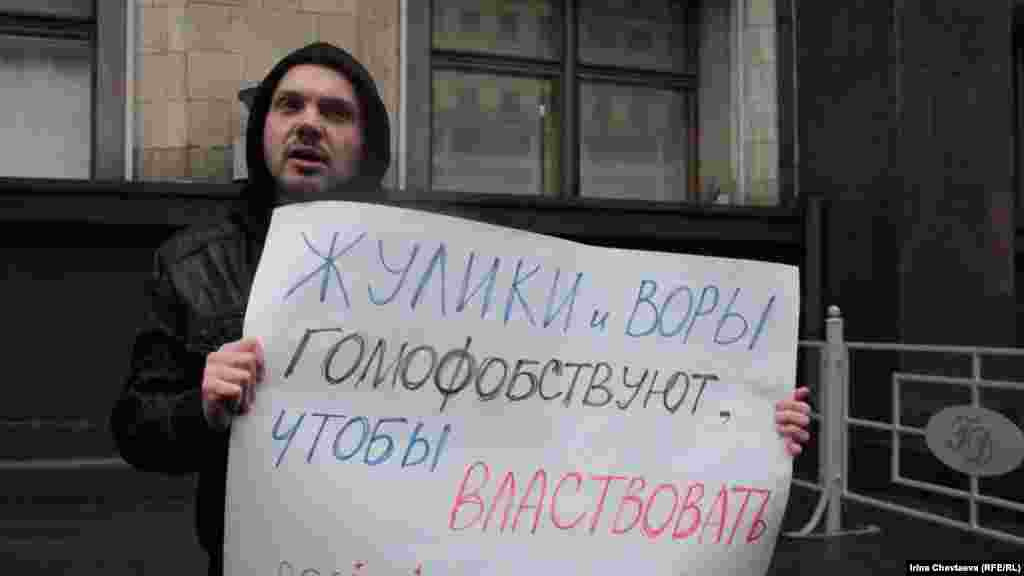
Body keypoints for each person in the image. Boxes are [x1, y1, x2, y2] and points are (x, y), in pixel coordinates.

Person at [110, 42, 811, 576]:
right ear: (261, 128)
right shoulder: (195, 264)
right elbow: (137, 427)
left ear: (368, 143)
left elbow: (579, 400)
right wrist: (201, 406)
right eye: (289, 106)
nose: (309, 124)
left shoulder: (435, 265)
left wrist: (740, 422)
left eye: (335, 112)